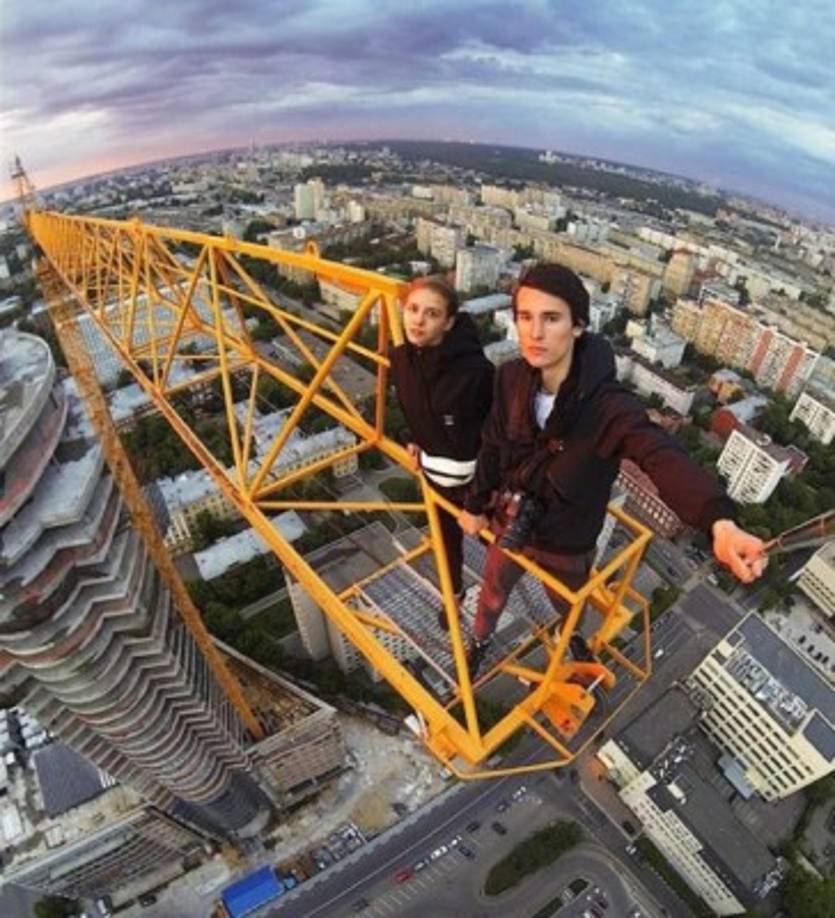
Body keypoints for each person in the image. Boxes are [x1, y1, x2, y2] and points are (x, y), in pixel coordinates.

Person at [459, 263, 766, 674]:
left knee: (568, 602)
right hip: (510, 522)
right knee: (493, 591)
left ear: (578, 326)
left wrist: (719, 521)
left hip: (566, 541)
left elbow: (659, 453)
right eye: (525, 317)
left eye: (551, 318)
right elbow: (494, 444)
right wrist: (476, 503)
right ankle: (479, 639)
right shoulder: (511, 378)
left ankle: (572, 641)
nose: (534, 333)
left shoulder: (608, 407)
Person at [390, 276, 494, 629]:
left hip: (479, 484)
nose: (418, 320)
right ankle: (455, 597)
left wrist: (478, 503)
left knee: (507, 547)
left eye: (432, 314)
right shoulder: (401, 360)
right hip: (435, 477)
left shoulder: (475, 372)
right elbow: (409, 407)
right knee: (446, 544)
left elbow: (498, 435)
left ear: (449, 323)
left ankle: (494, 611)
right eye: (413, 309)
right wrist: (410, 437)